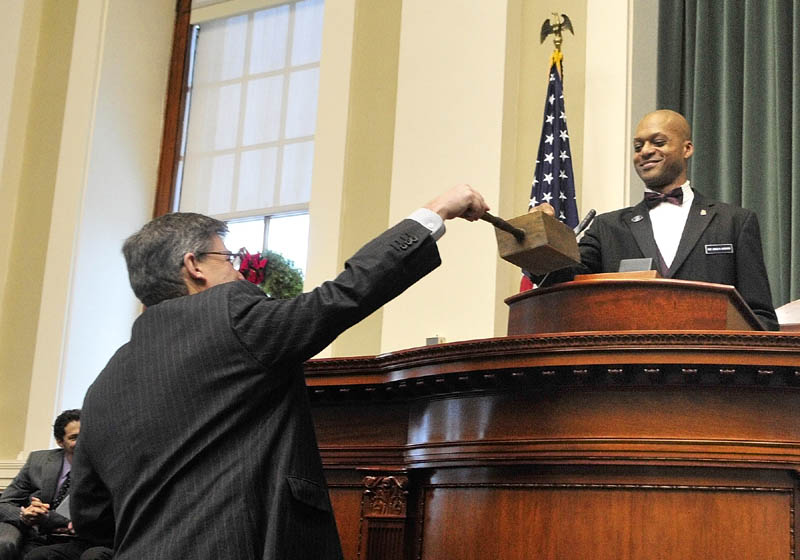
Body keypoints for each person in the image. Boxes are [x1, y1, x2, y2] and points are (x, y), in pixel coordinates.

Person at [69, 184, 489, 559]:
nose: (237, 270)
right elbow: (344, 294)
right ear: (194, 265)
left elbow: (92, 519)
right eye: (226, 258)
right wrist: (437, 210)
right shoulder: (230, 318)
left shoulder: (101, 386)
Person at [534, 109, 778, 330]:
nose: (646, 151)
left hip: (712, 371)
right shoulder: (607, 228)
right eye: (638, 146)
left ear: (687, 149)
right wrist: (540, 236)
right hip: (629, 371)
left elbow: (759, 317)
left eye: (658, 142)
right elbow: (563, 280)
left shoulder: (734, 222)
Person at [0, 411, 80, 559]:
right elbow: (4, 503)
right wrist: (24, 515)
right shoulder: (38, 461)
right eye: (74, 437)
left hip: (73, 539)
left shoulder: (101, 466)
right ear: (60, 441)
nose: (82, 442)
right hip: (34, 533)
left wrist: (50, 518)